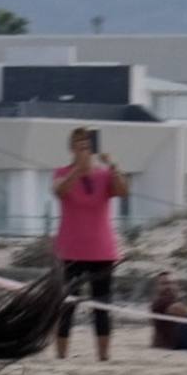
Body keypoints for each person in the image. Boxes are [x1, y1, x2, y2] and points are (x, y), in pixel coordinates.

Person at [52, 126, 128, 360]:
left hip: (101, 250)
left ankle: (103, 357)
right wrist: (78, 171)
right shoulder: (62, 172)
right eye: (79, 146)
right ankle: (61, 356)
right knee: (67, 305)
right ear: (72, 149)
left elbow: (123, 191)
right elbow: (59, 190)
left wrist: (113, 167)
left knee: (102, 306)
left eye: (87, 146)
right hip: (71, 250)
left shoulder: (104, 174)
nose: (84, 150)